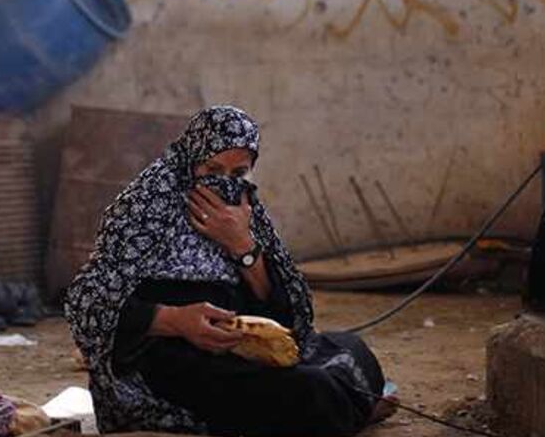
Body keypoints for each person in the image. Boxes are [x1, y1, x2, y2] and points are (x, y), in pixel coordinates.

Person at [65, 105, 391, 436]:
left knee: (351, 348)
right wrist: (175, 321)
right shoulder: (145, 206)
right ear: (190, 160)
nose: (224, 182)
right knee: (313, 390)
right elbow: (87, 304)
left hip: (242, 352)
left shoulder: (246, 210)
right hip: (174, 361)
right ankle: (352, 409)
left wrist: (240, 245)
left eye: (238, 173)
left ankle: (347, 408)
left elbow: (287, 315)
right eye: (212, 168)